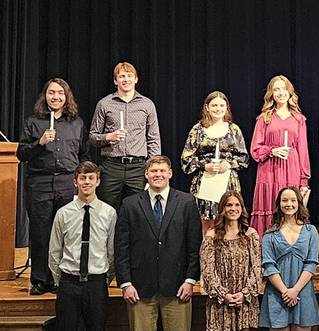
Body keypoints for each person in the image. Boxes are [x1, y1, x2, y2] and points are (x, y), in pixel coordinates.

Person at [17, 77, 90, 295]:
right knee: (40, 233)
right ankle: (40, 279)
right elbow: (21, 154)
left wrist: (82, 181)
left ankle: (62, 278)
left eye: (60, 93)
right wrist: (40, 143)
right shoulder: (33, 122)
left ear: (66, 97)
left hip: (67, 183)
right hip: (39, 183)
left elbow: (83, 154)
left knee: (66, 233)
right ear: (45, 96)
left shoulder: (76, 123)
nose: (55, 96)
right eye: (51, 93)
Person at [114, 155, 202, 331]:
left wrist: (190, 280)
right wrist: (125, 284)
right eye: (154, 171)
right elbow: (121, 247)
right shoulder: (130, 204)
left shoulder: (187, 202)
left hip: (178, 288)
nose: (158, 174)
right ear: (146, 174)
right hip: (139, 289)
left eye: (162, 170)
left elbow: (194, 245)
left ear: (170, 173)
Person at [48, 161, 116, 330]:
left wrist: (104, 279)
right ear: (75, 182)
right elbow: (54, 251)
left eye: (91, 178)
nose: (87, 182)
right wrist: (61, 280)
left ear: (98, 182)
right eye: (82, 178)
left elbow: (112, 251)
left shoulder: (109, 213)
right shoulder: (63, 213)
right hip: (69, 283)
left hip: (96, 283)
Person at [89, 62, 161, 210]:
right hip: (111, 166)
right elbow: (92, 137)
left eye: (129, 76)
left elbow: (153, 138)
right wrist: (109, 137)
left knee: (138, 211)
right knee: (106, 211)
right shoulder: (104, 104)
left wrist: (154, 168)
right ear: (116, 81)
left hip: (138, 167)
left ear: (136, 79)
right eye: (122, 76)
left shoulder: (147, 105)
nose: (126, 79)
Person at [181, 91, 249, 231]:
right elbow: (186, 159)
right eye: (214, 105)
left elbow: (244, 158)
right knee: (205, 225)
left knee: (229, 222)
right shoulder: (198, 130)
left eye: (221, 105)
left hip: (228, 183)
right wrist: (205, 165)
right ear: (207, 107)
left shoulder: (234, 130)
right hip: (205, 183)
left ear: (226, 107)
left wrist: (228, 164)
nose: (218, 109)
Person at [251, 76, 311, 235]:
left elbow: (303, 151)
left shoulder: (299, 119)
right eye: (276, 89)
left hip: (291, 170)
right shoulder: (264, 118)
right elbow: (255, 149)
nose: (280, 92)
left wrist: (304, 180)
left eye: (284, 89)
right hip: (269, 171)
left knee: (290, 208)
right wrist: (272, 151)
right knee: (271, 207)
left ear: (290, 92)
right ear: (271, 93)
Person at [260, 187, 319, 330]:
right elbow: (269, 266)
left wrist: (295, 290)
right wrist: (285, 292)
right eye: (284, 200)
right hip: (277, 293)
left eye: (293, 200)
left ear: (299, 203)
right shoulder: (270, 234)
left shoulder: (310, 230)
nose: (289, 204)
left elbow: (311, 263)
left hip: (303, 292)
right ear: (279, 204)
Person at [200, 191, 261, 331]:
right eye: (229, 205)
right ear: (222, 208)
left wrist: (244, 294)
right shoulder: (212, 236)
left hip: (244, 303)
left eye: (236, 205)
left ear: (242, 208)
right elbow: (207, 271)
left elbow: (257, 269)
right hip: (220, 304)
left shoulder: (251, 234)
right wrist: (223, 295)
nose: (233, 208)